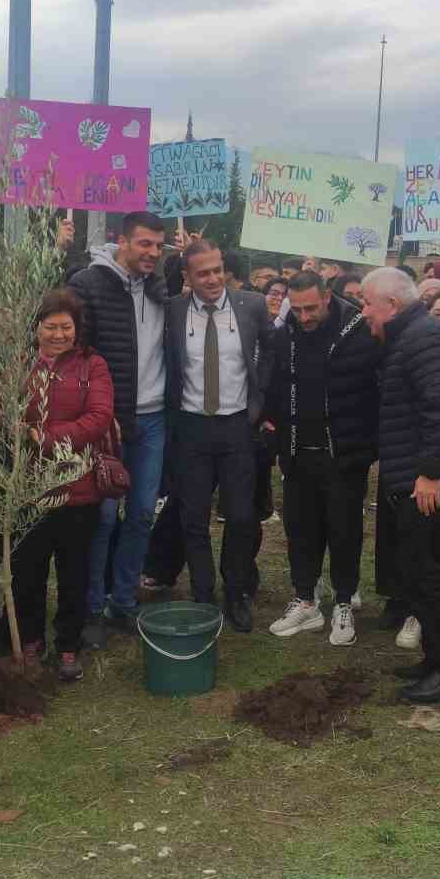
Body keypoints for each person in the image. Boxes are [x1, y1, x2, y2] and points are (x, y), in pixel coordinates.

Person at [360, 267, 440, 703]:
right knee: (420, 571)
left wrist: (431, 473)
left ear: (391, 305)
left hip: (437, 478)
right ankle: (437, 660)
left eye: (366, 303)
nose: (363, 312)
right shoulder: (410, 334)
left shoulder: (423, 337)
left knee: (424, 571)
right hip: (427, 473)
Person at [0, 288, 115, 682]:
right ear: (37, 328)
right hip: (29, 489)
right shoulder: (20, 364)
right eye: (51, 327)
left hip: (77, 488)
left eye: (66, 327)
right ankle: (30, 639)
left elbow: (98, 418)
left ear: (77, 330)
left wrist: (42, 438)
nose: (59, 335)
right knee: (28, 570)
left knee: (74, 573)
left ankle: (68, 645)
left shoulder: (92, 365)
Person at [69, 212, 171, 645]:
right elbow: (72, 349)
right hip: (107, 421)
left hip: (152, 419)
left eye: (158, 246)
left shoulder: (160, 287)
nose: (152, 253)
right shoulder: (88, 284)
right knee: (103, 517)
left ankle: (124, 602)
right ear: (122, 241)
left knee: (143, 514)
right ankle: (91, 608)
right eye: (144, 244)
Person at [263, 271, 381, 646]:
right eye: (297, 309)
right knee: (300, 530)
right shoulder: (285, 336)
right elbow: (275, 388)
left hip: (344, 454)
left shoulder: (359, 331)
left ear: (327, 297)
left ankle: (344, 601)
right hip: (298, 451)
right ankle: (305, 599)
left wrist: (367, 442)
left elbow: (376, 389)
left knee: (344, 530)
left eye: (311, 307)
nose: (305, 316)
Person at [164, 241, 271, 631]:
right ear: (187, 278)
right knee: (193, 517)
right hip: (191, 427)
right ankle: (203, 593)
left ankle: (236, 590)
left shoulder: (252, 306)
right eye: (202, 273)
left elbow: (272, 353)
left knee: (242, 516)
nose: (212, 279)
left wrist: (261, 406)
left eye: (217, 269)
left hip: (237, 426)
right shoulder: (173, 311)